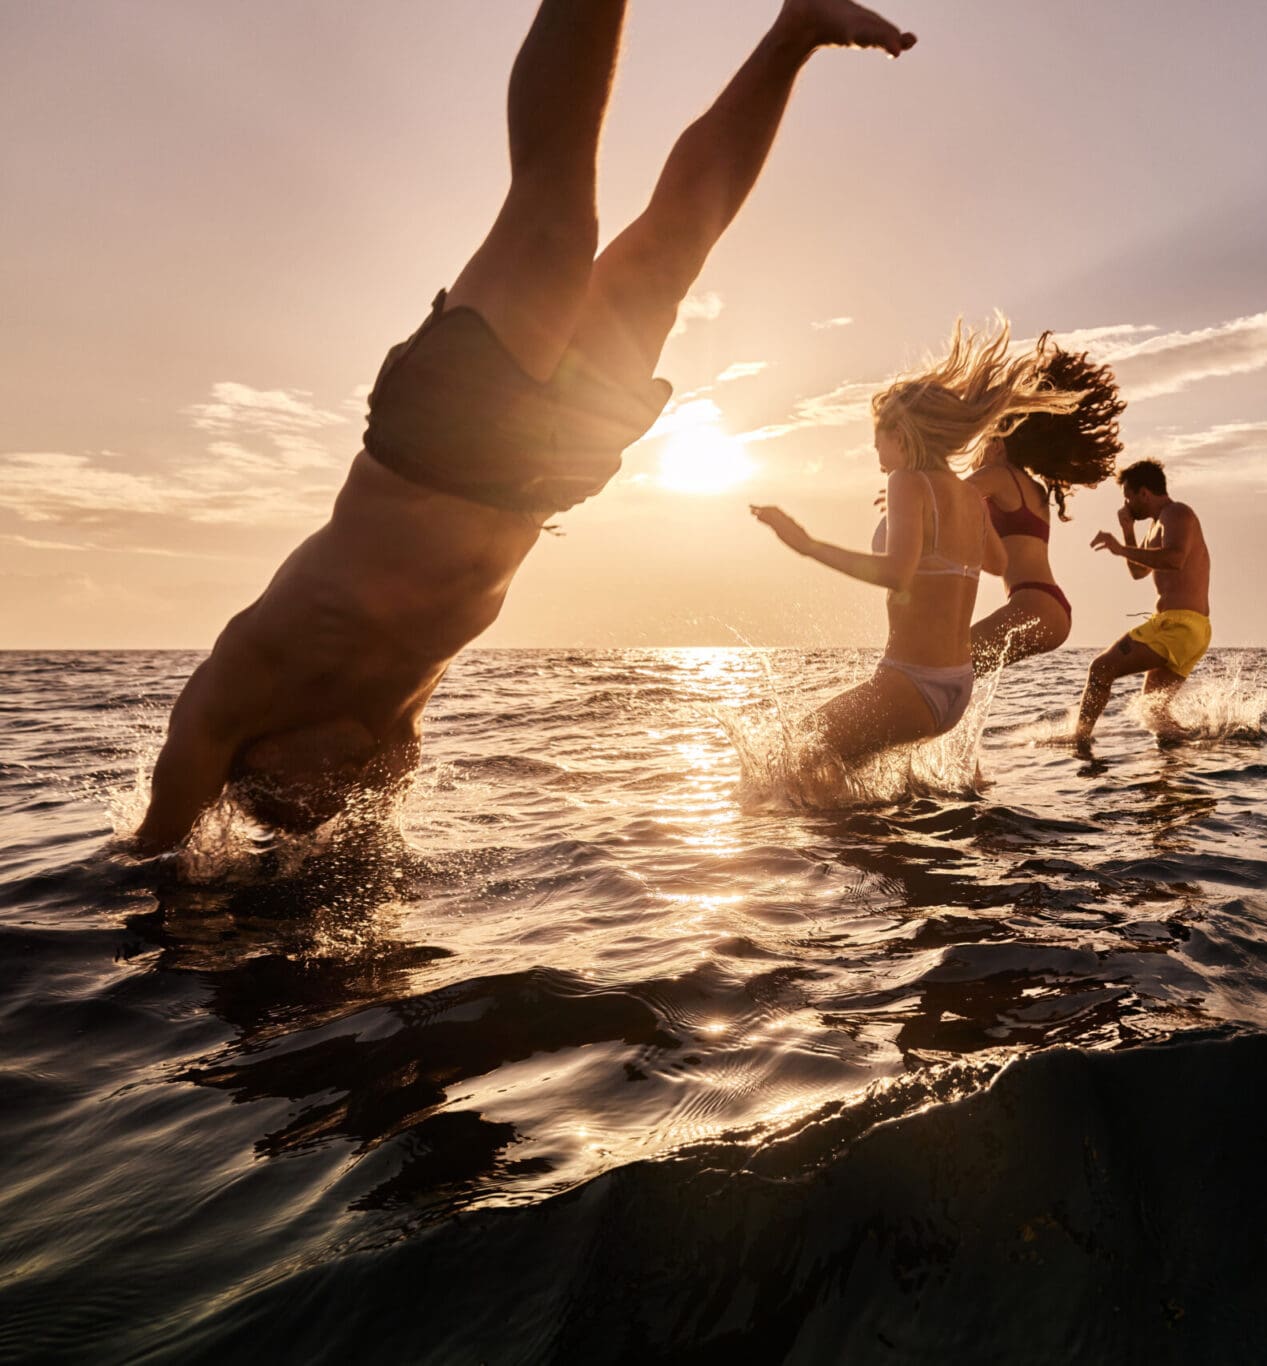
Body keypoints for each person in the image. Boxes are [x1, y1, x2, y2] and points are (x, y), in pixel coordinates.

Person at [130, 0, 916, 855]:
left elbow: (152, 859)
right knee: (670, 254)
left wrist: (162, 877)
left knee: (555, 212)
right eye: (319, 807)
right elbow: (365, 863)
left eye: (287, 795)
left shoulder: (227, 697)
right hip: (544, 475)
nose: (321, 799)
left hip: (433, 444)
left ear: (247, 765)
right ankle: (796, 32)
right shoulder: (389, 749)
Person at [750, 320, 1080, 767]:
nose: (876, 454)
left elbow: (896, 573)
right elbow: (998, 562)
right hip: (954, 689)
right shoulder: (966, 494)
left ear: (901, 437)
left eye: (877, 442)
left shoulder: (908, 480)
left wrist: (805, 543)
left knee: (793, 753)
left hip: (912, 682)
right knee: (835, 765)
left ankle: (838, 838)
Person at [963, 339, 1125, 673]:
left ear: (999, 442)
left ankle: (913, 723)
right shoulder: (1032, 488)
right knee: (957, 675)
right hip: (1051, 607)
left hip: (1032, 604)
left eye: (987, 437)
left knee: (945, 666)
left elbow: (946, 496)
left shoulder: (997, 475)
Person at [1073, 458, 1213, 741]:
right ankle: (1199, 744)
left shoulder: (1176, 513)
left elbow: (1175, 559)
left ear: (1144, 494)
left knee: (1101, 669)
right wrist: (1127, 532)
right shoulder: (1155, 526)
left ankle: (1080, 740)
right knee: (1155, 713)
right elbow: (1139, 572)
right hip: (1186, 629)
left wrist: (1120, 548)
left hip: (1179, 626)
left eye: (1128, 497)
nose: (1126, 504)